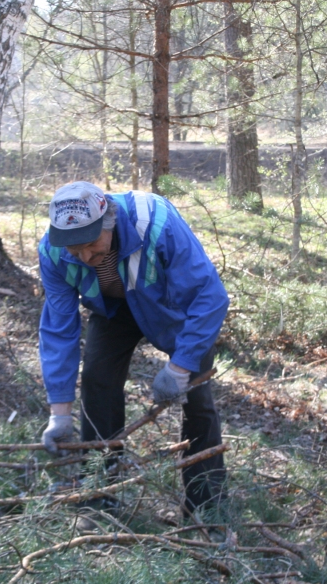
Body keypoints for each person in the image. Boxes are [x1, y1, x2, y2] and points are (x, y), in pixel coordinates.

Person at [36, 181, 229, 515]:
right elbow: (58, 331)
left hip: (171, 306)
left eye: (90, 245)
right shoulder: (53, 252)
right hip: (111, 309)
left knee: (196, 398)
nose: (84, 257)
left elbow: (209, 297)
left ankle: (206, 504)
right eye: (73, 249)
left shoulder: (157, 223)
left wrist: (179, 367)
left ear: (108, 221)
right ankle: (100, 494)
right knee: (97, 381)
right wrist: (59, 413)